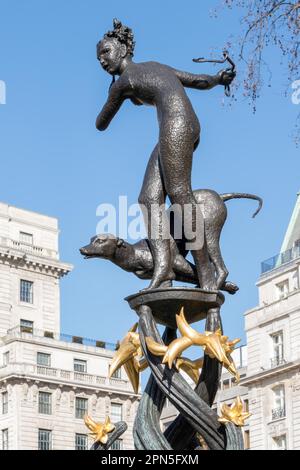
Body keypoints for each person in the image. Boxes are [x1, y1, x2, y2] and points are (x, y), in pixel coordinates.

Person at [96, 19, 235, 291]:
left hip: (177, 125)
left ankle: (206, 274)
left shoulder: (122, 82)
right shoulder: (155, 66)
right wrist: (218, 79)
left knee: (180, 195)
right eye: (99, 56)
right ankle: (162, 268)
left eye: (106, 52)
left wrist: (114, 94)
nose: (102, 60)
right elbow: (197, 80)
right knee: (148, 199)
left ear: (123, 50)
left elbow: (101, 123)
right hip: (180, 126)